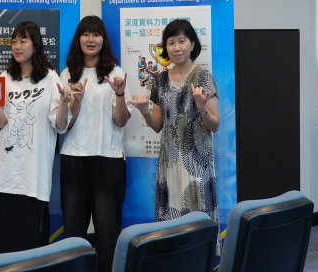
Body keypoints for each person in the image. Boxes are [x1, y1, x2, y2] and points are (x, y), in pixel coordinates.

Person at [0, 21, 71, 259]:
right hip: (6, 175)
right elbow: (1, 122)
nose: (17, 46)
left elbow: (60, 125)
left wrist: (64, 103)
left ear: (35, 45)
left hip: (33, 176)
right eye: (14, 41)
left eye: (23, 41)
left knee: (29, 245)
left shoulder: (50, 78)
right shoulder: (3, 78)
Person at [128, 18, 221, 254]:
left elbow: (215, 125)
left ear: (192, 44)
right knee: (170, 230)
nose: (176, 48)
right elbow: (157, 125)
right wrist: (144, 111)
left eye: (181, 41)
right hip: (168, 166)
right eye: (171, 43)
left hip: (196, 165)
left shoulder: (203, 77)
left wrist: (202, 107)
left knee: (197, 228)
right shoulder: (159, 80)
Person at [59, 15, 131, 272]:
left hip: (108, 159)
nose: (91, 39)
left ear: (104, 39)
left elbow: (120, 120)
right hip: (74, 159)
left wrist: (120, 94)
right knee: (73, 235)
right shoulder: (67, 74)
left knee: (108, 234)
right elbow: (64, 125)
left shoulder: (116, 73)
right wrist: (75, 102)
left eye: (96, 34)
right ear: (78, 39)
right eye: (86, 34)